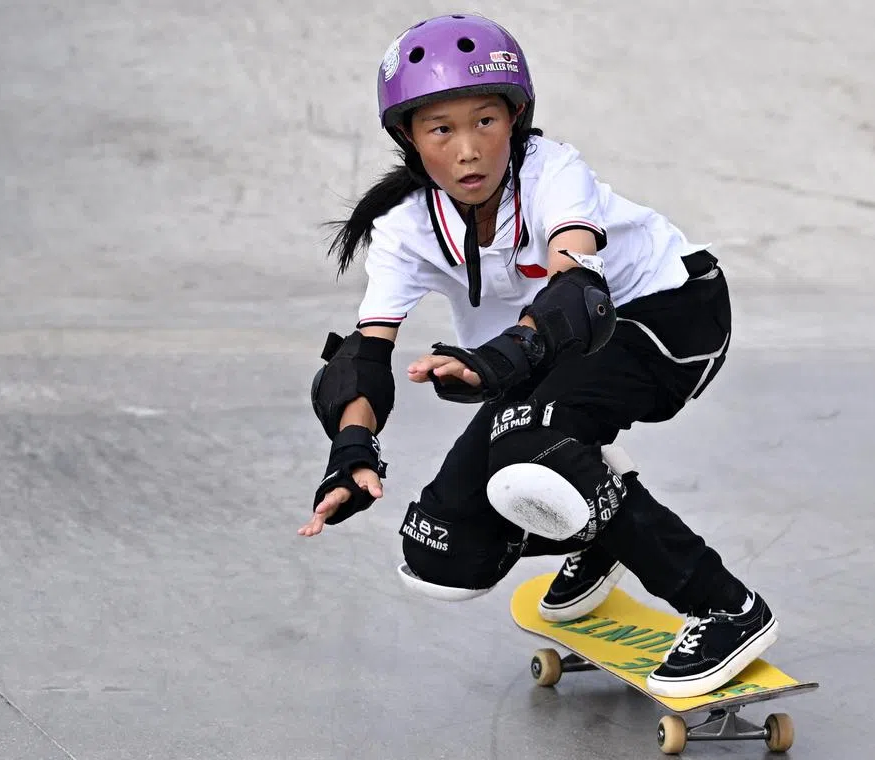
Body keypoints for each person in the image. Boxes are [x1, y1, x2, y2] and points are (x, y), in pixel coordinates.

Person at [297, 13, 778, 699]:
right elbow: (364, 359)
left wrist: (497, 362)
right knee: (440, 555)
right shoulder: (404, 228)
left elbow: (577, 291)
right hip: (546, 348)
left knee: (532, 444)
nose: (468, 150)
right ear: (409, 136)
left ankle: (725, 606)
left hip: (668, 315)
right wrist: (351, 449)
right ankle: (603, 528)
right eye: (441, 129)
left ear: (515, 118)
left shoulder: (554, 172)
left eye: (485, 122)